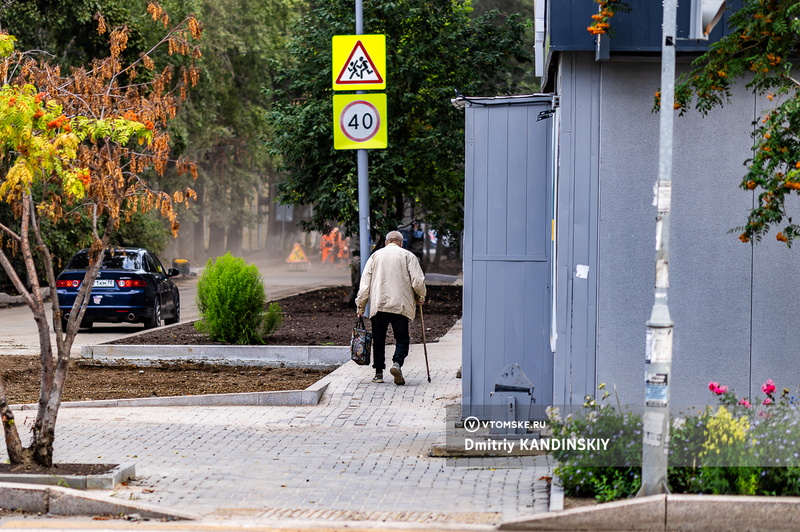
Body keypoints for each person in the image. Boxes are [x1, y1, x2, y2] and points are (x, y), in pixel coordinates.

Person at [355, 230, 426, 385]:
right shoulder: (408, 256)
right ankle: (397, 363)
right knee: (402, 338)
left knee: (378, 339)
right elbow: (418, 282)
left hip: (379, 305)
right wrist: (420, 297)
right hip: (400, 306)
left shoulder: (375, 256)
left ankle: (378, 373)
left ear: (387, 242)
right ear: (400, 242)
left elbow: (365, 284)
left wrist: (360, 306)